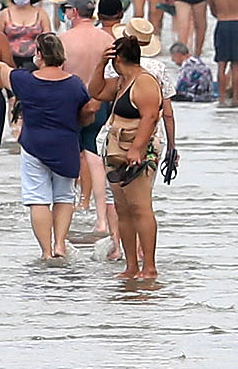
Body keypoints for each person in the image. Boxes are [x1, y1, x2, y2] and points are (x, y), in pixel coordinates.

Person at [95, 28, 172, 283]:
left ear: (119, 59)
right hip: (116, 148)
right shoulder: (120, 82)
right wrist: (100, 63)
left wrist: (137, 149)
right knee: (122, 209)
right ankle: (131, 266)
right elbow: (94, 91)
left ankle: (149, 267)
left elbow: (151, 116)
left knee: (141, 208)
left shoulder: (145, 81)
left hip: (137, 149)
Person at [10, 33, 89, 261]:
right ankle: (60, 244)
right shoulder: (74, 83)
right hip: (66, 145)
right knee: (64, 196)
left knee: (38, 198)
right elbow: (85, 110)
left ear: (40, 55)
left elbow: (2, 71)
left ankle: (45, 251)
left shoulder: (26, 80)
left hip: (34, 143)